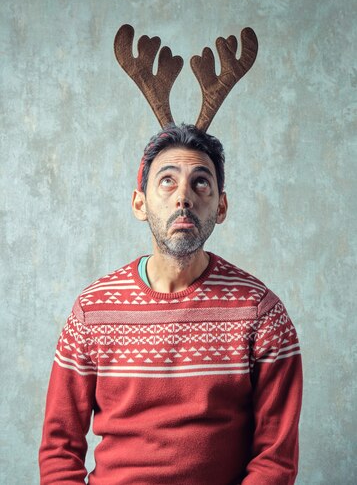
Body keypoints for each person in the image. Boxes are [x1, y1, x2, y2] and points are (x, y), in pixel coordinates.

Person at [39, 123, 303, 485]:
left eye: (200, 182)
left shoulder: (262, 313)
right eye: (167, 180)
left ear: (221, 206)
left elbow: (275, 459)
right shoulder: (91, 311)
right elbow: (59, 449)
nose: (183, 196)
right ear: (139, 203)